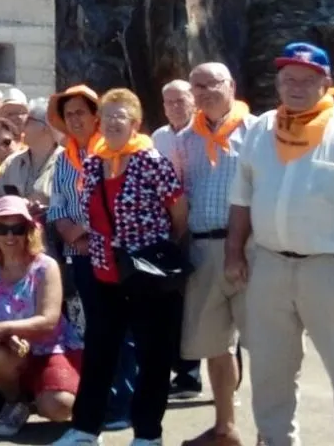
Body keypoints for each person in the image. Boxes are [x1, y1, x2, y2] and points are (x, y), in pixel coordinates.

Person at [225, 42, 334, 446]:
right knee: (269, 371)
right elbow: (241, 199)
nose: (296, 87)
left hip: (332, 269)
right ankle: (276, 440)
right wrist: (233, 253)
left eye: (307, 80)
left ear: (326, 83)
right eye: (288, 79)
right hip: (269, 265)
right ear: (278, 84)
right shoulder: (262, 128)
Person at [53, 88, 187, 446]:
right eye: (107, 116)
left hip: (146, 274)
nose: (112, 123)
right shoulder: (94, 162)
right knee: (99, 351)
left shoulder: (151, 160)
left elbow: (178, 211)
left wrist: (162, 246)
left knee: (152, 353)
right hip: (103, 272)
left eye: (120, 116)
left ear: (135, 123)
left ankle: (147, 434)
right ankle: (85, 429)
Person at [175, 63, 255, 446]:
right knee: (214, 346)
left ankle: (273, 432)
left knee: (266, 344)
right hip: (202, 248)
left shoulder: (258, 132)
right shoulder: (186, 139)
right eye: (197, 86)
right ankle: (225, 429)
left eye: (212, 84)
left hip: (251, 249)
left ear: (232, 86)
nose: (204, 92)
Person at [0, 196, 83, 437]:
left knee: (59, 407)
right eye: (2, 229)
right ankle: (16, 402)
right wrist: (5, 336)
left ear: (29, 231)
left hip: (52, 347)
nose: (10, 236)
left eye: (18, 229)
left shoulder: (46, 266)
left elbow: (48, 320)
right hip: (8, 349)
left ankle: (52, 398)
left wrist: (6, 329)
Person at [154, 78, 202, 399]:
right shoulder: (157, 138)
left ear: (193, 101)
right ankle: (182, 372)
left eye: (180, 100)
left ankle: (200, 375)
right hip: (167, 228)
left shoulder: (205, 133)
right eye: (168, 102)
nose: (174, 107)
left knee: (200, 299)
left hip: (201, 225)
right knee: (173, 300)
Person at [0, 98, 60, 209]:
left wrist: (46, 207)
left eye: (28, 121)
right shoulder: (12, 162)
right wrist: (10, 208)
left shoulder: (67, 163)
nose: (23, 125)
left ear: (46, 127)